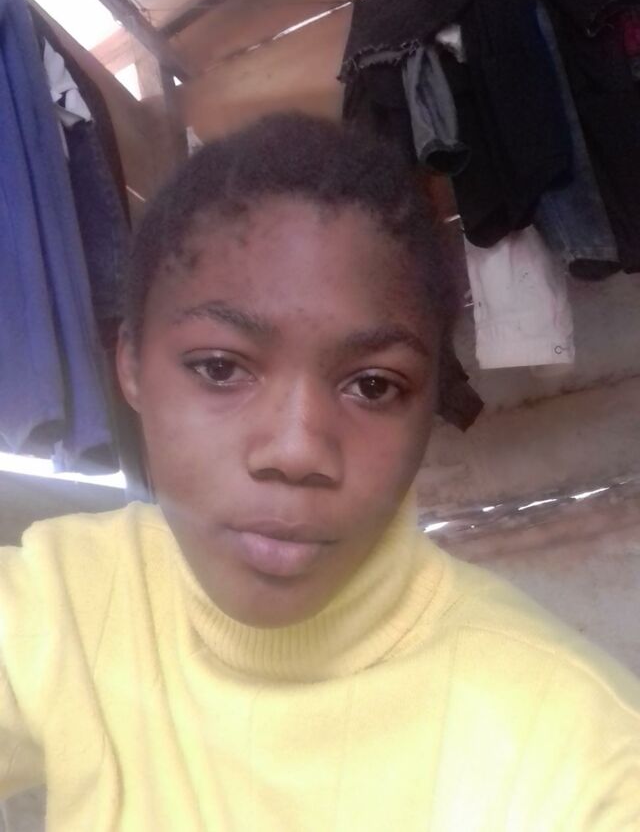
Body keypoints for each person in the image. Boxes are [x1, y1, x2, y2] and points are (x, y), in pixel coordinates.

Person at [1, 113, 639, 831]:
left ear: (431, 401)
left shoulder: (579, 754)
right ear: (131, 366)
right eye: (221, 368)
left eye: (373, 385)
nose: (297, 450)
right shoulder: (69, 600)